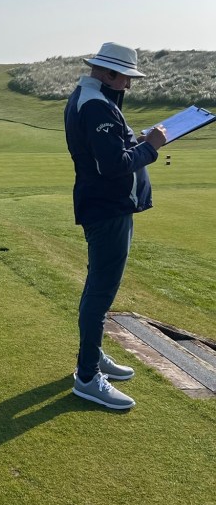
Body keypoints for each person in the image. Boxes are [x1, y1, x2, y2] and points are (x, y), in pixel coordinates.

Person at [64, 42, 166, 411]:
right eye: (125, 77)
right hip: (107, 209)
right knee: (101, 292)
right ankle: (88, 377)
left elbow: (111, 151)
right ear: (108, 74)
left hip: (105, 206)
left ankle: (92, 356)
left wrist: (138, 142)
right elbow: (113, 165)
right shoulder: (96, 105)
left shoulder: (93, 98)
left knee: (98, 287)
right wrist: (151, 147)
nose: (129, 84)